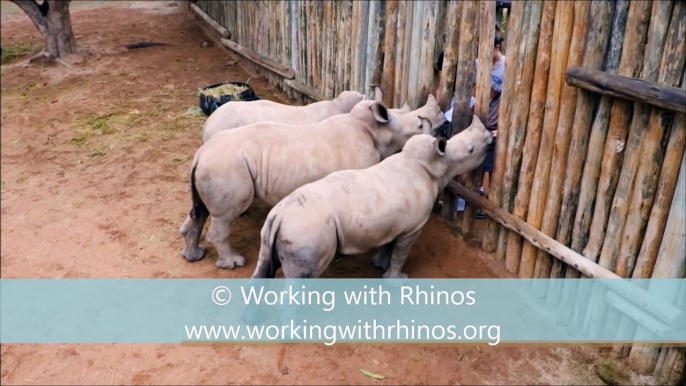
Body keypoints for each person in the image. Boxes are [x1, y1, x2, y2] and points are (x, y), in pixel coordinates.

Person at [443, 25, 505, 219]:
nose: (482, 54)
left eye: (486, 49)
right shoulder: (477, 64)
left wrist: (503, 127)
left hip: (495, 124)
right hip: (475, 121)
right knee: (466, 159)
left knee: (488, 166)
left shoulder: (507, 66)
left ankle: (482, 204)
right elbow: (470, 91)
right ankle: (465, 200)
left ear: (497, 47)